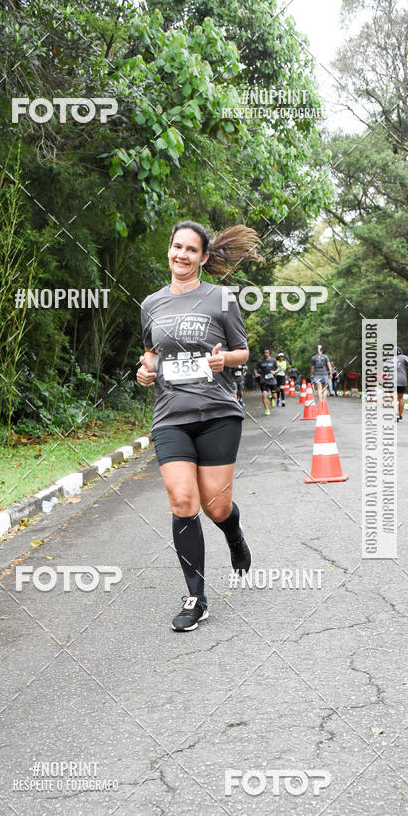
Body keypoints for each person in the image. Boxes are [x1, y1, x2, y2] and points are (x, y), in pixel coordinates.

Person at [137, 220, 263, 631]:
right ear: (169, 250)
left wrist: (224, 359)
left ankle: (234, 535)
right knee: (183, 501)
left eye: (192, 250)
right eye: (177, 247)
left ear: (204, 257)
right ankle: (196, 598)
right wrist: (145, 369)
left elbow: (243, 351)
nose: (182, 255)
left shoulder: (221, 299)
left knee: (216, 506)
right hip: (170, 416)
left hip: (217, 415)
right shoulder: (151, 304)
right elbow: (151, 352)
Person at [254, 347, 278, 414]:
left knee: (275, 396)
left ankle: (271, 398)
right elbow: (255, 369)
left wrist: (275, 371)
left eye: (267, 352)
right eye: (264, 353)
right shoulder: (260, 361)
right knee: (264, 395)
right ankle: (267, 410)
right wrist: (256, 373)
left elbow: (278, 368)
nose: (266, 354)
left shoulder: (273, 360)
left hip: (272, 380)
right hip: (264, 380)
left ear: (269, 353)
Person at [396, 346, 408, 421]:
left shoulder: (389, 359)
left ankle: (396, 414)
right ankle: (400, 415)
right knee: (400, 398)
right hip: (402, 380)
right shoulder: (404, 357)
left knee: (393, 398)